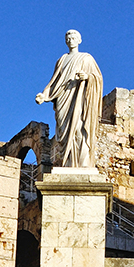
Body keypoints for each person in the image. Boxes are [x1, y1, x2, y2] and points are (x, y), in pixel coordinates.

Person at [36, 29, 103, 169]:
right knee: (65, 135)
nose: (70, 39)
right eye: (68, 37)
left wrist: (87, 78)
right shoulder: (61, 60)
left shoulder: (86, 58)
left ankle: (82, 163)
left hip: (79, 99)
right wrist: (44, 95)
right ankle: (67, 163)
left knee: (79, 129)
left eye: (73, 37)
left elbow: (98, 79)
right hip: (63, 100)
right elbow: (54, 82)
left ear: (79, 40)